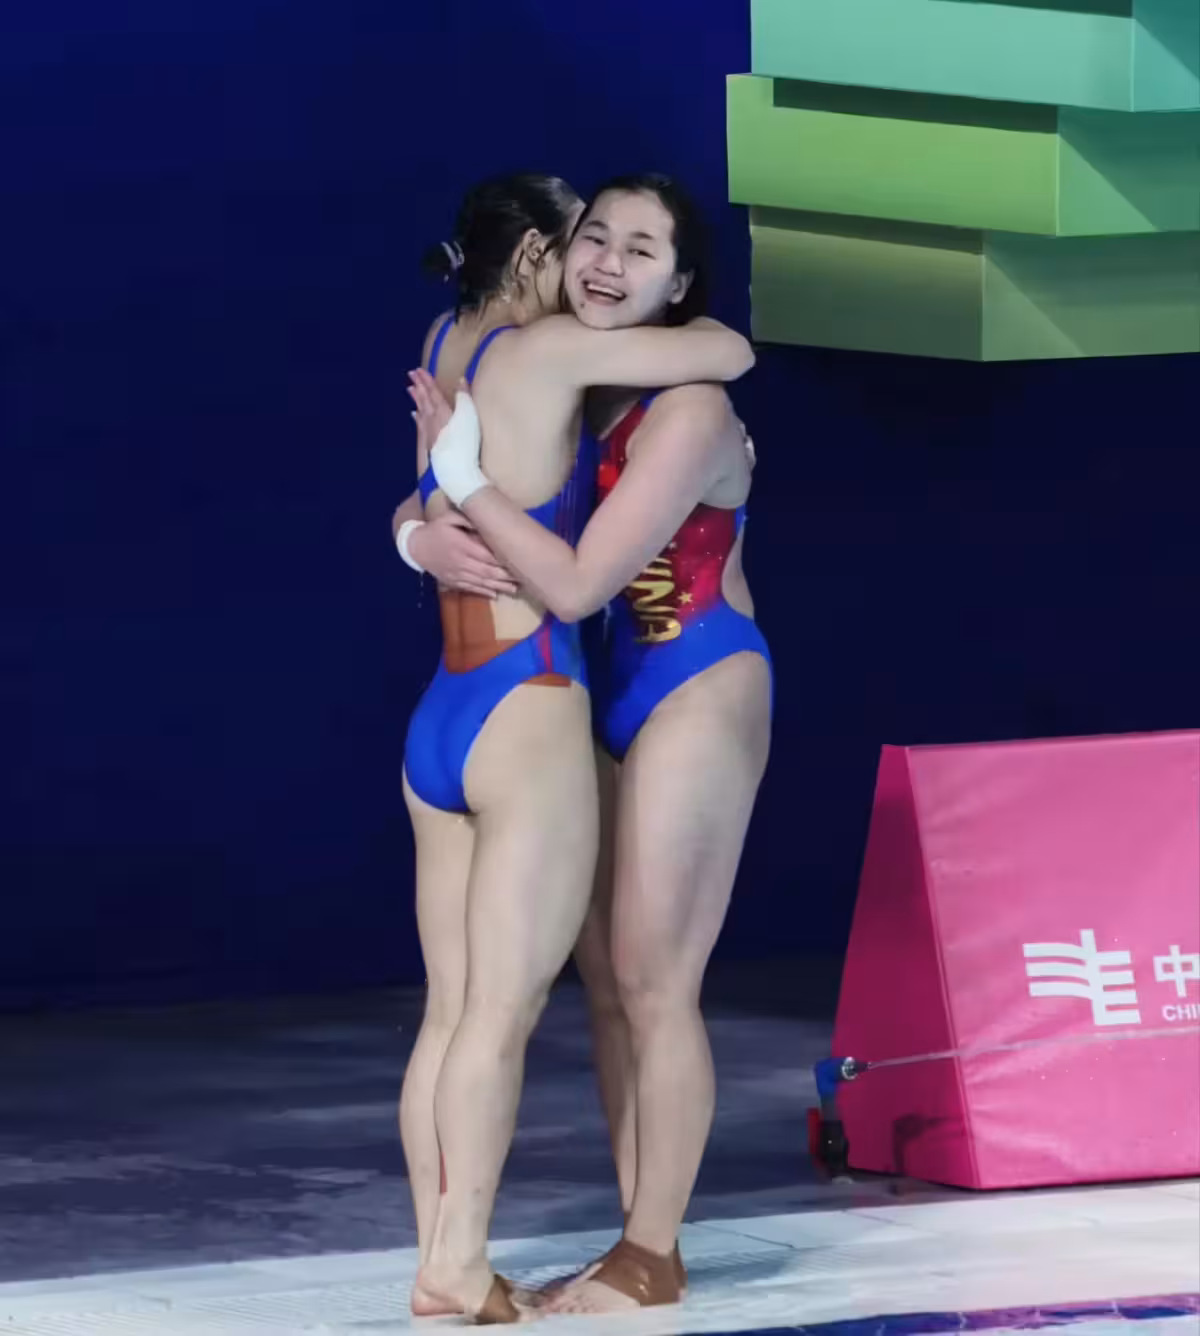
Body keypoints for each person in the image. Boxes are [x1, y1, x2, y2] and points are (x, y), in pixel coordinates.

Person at [412, 172, 773, 1317]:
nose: (608, 263)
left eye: (640, 249)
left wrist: (460, 482)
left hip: (694, 679)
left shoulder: (691, 407)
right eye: (597, 239)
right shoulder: (577, 369)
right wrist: (418, 529)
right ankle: (619, 1235)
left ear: (681, 280)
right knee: (608, 985)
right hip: (595, 682)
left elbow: (574, 583)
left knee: (655, 980)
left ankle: (650, 1253)